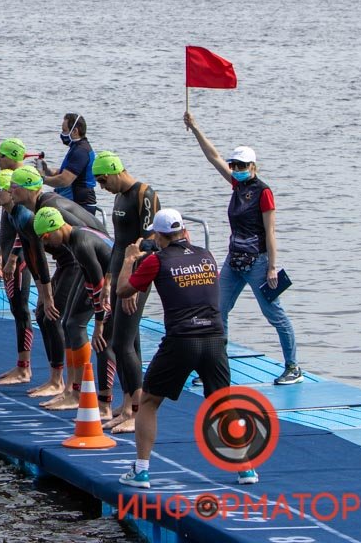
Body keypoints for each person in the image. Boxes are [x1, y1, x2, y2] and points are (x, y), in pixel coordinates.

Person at [116, 209, 258, 488]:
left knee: (148, 402)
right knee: (222, 404)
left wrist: (128, 260)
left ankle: (141, 471)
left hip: (182, 339)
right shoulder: (206, 255)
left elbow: (123, 290)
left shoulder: (156, 261)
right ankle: (246, 468)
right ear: (184, 232)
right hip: (215, 338)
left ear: (157, 236)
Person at [184, 112, 302, 385]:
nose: (235, 167)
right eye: (233, 164)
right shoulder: (237, 186)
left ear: (252, 166)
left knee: (274, 314)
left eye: (240, 164)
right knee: (218, 310)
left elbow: (270, 231)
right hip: (234, 261)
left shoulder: (263, 192)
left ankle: (293, 367)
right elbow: (213, 156)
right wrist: (196, 128)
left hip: (259, 263)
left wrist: (272, 266)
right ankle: (216, 369)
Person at [9, 165, 108, 406]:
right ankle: (61, 382)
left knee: (63, 320)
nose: (10, 191)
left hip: (82, 260)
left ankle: (72, 388)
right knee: (48, 316)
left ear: (29, 189)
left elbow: (86, 234)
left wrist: (48, 294)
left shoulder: (50, 208)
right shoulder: (31, 211)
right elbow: (32, 251)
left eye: (14, 187)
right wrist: (43, 293)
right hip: (72, 261)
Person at [93, 151, 160, 431]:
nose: (101, 187)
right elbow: (119, 245)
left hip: (137, 278)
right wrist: (107, 280)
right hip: (120, 275)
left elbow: (150, 242)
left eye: (103, 180)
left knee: (121, 342)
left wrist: (134, 285)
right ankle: (128, 402)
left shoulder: (144, 194)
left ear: (115, 171)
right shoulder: (119, 197)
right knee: (126, 343)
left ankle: (136, 413)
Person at [32, 206, 113, 406]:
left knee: (76, 325)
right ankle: (72, 390)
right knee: (68, 322)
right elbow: (89, 276)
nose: (46, 245)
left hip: (116, 281)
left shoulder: (81, 244)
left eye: (46, 238)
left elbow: (98, 284)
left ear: (57, 228)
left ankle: (79, 394)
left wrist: (99, 322)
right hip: (105, 277)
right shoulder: (73, 239)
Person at [0, 167, 34, 385]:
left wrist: (12, 259)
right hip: (10, 262)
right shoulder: (6, 209)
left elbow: (21, 237)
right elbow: (5, 236)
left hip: (20, 264)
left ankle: (25, 368)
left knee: (21, 311)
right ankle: (20, 365)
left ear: (10, 191)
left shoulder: (18, 210)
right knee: (17, 311)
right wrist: (0, 255)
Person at [39, 113, 98, 215]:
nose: (62, 134)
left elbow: (64, 180)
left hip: (80, 206)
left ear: (75, 131)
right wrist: (48, 170)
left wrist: (40, 180)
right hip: (71, 203)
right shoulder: (76, 147)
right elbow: (66, 172)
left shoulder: (81, 151)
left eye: (64, 130)